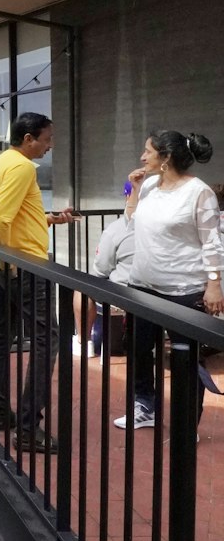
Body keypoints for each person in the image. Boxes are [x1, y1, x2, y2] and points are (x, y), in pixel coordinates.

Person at [115, 130, 224, 431]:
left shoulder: (199, 192)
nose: (142, 157)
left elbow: (212, 242)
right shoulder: (149, 185)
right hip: (142, 286)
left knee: (184, 359)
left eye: (148, 151)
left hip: (183, 290)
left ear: (166, 158)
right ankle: (145, 407)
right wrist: (135, 189)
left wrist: (214, 284)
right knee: (137, 351)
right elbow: (131, 222)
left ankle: (187, 422)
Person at [0, 112, 78, 452]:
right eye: (47, 139)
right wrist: (12, 261)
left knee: (1, 335)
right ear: (28, 139)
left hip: (3, 264)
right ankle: (27, 428)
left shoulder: (2, 161)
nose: (50, 146)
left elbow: (11, 213)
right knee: (47, 340)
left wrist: (48, 219)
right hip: (22, 267)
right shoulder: (23, 167)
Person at [75, 182, 137, 355]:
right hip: (161, 293)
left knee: (82, 289)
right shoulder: (164, 228)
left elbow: (101, 270)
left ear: (127, 197)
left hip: (125, 294)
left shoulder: (116, 229)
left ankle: (83, 342)